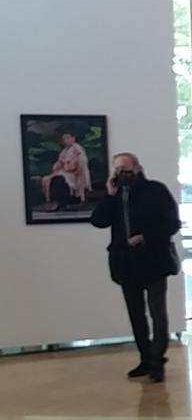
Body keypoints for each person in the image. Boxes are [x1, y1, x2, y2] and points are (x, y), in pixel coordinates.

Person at [90, 153, 181, 382]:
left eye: (126, 168)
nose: (122, 173)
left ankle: (157, 360)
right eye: (117, 169)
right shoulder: (116, 195)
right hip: (126, 264)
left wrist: (145, 237)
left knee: (157, 312)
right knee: (136, 314)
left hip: (154, 261)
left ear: (138, 168)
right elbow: (98, 220)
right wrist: (109, 197)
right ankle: (145, 358)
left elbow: (172, 223)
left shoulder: (156, 191)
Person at [41, 130, 92, 208]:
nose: (66, 140)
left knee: (60, 179)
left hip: (75, 173)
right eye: (64, 139)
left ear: (73, 138)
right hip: (64, 171)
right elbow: (60, 161)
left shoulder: (77, 149)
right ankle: (51, 201)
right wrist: (58, 165)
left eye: (68, 138)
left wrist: (73, 168)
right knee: (47, 179)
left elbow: (81, 162)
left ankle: (63, 201)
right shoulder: (64, 151)